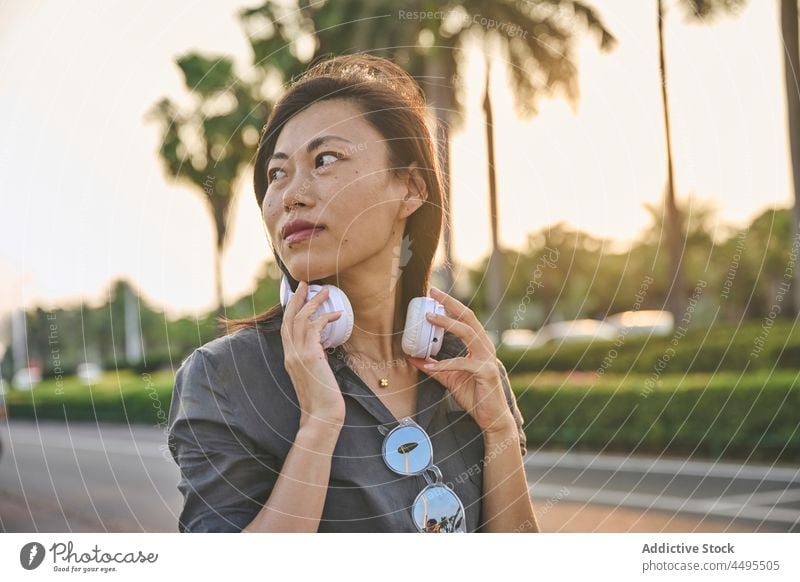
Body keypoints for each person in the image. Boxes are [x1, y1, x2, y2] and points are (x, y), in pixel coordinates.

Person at [167, 53, 538, 533]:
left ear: (409, 187)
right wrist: (318, 426)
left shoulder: (463, 365)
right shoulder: (227, 378)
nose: (290, 195)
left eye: (325, 160)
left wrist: (499, 429)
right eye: (276, 173)